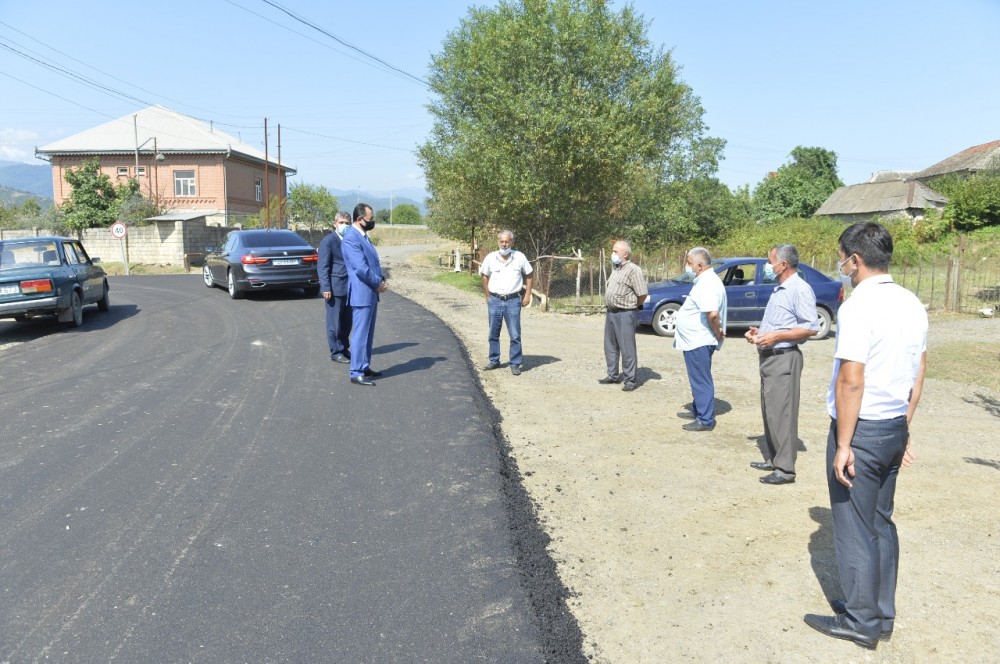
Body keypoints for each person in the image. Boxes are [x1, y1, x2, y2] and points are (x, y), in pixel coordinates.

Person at [804, 222, 928, 650]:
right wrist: (905, 424)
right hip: (893, 424)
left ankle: (860, 621)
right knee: (880, 521)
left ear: (854, 260)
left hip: (862, 429)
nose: (842, 264)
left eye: (842, 257)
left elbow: (851, 380)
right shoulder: (912, 303)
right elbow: (919, 370)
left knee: (854, 525)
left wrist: (843, 443)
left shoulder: (859, 306)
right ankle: (879, 611)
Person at [744, 244, 819, 485]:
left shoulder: (800, 289)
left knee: (782, 414)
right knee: (771, 411)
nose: (768, 266)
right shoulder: (780, 289)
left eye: (770, 261)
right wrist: (761, 332)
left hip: (784, 358)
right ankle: (775, 459)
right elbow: (783, 323)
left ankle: (785, 470)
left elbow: (810, 327)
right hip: (770, 357)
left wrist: (775, 337)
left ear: (783, 264)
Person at [673, 247, 727, 431]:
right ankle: (699, 410)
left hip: (699, 340)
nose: (687, 266)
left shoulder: (708, 283)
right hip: (695, 339)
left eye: (689, 263)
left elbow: (712, 314)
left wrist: (718, 332)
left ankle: (705, 420)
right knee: (697, 377)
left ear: (700, 265)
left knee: (701, 379)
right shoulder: (704, 280)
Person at [341, 203, 387, 386]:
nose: (373, 221)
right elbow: (361, 268)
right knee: (360, 333)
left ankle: (364, 366)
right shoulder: (351, 238)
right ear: (360, 220)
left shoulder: (363, 236)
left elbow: (373, 262)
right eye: (370, 219)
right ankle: (356, 372)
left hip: (370, 293)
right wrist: (378, 284)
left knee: (368, 333)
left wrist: (380, 279)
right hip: (363, 292)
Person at [480, 230, 533, 375]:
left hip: (513, 300)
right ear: (498, 241)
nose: (504, 244)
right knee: (493, 332)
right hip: (495, 300)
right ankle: (494, 360)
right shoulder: (491, 258)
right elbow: (484, 276)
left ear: (512, 242)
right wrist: (487, 295)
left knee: (515, 334)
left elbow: (529, 274)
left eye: (507, 241)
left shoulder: (519, 257)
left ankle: (515, 363)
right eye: (502, 241)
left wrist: (527, 294)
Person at [598, 240, 648, 392]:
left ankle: (630, 380)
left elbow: (642, 293)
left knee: (627, 347)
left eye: (615, 251)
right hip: (612, 312)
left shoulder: (633, 270)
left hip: (625, 313)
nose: (612, 254)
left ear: (625, 254)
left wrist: (634, 306)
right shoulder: (616, 268)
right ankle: (612, 375)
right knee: (610, 345)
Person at [318, 211, 353, 364]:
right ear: (335, 224)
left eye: (347, 223)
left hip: (350, 288)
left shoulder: (350, 239)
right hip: (335, 287)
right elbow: (323, 266)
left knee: (347, 322)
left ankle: (344, 348)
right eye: (341, 223)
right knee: (334, 323)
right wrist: (326, 287)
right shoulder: (328, 241)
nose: (344, 226)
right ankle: (336, 352)